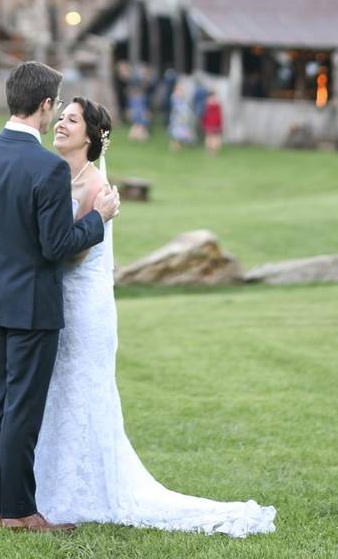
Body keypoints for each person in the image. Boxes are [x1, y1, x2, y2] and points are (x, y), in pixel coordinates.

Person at [33, 97, 277, 538]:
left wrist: (35, 251)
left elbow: (74, 253)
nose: (60, 125)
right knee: (57, 395)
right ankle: (51, 484)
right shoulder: (54, 177)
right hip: (55, 304)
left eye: (71, 120)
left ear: (90, 137)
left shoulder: (95, 189)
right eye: (61, 117)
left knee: (84, 393)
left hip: (84, 307)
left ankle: (85, 491)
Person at [0, 61, 121, 533]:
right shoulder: (47, 167)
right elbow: (57, 247)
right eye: (57, 108)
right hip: (32, 306)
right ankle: (20, 512)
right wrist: (98, 221)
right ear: (46, 105)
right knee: (21, 410)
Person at [168, 83, 195, 151]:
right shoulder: (174, 98)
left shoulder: (181, 99)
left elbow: (186, 109)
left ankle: (178, 146)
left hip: (182, 120)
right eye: (180, 90)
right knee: (175, 133)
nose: (182, 92)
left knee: (180, 134)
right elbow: (179, 109)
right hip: (177, 119)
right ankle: (174, 147)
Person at [202, 90, 223, 155]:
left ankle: (210, 151)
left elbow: (204, 114)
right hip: (213, 123)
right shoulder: (216, 103)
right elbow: (218, 115)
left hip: (210, 122)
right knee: (213, 137)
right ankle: (213, 152)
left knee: (210, 137)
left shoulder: (207, 103)